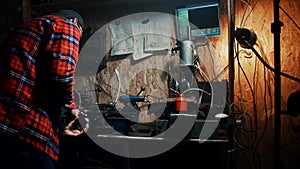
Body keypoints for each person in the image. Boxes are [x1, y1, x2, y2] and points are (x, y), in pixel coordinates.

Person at [0, 9, 88, 169]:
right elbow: (62, 77)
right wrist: (72, 109)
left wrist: (59, 129)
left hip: (8, 126)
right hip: (26, 133)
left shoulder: (27, 28)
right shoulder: (68, 25)